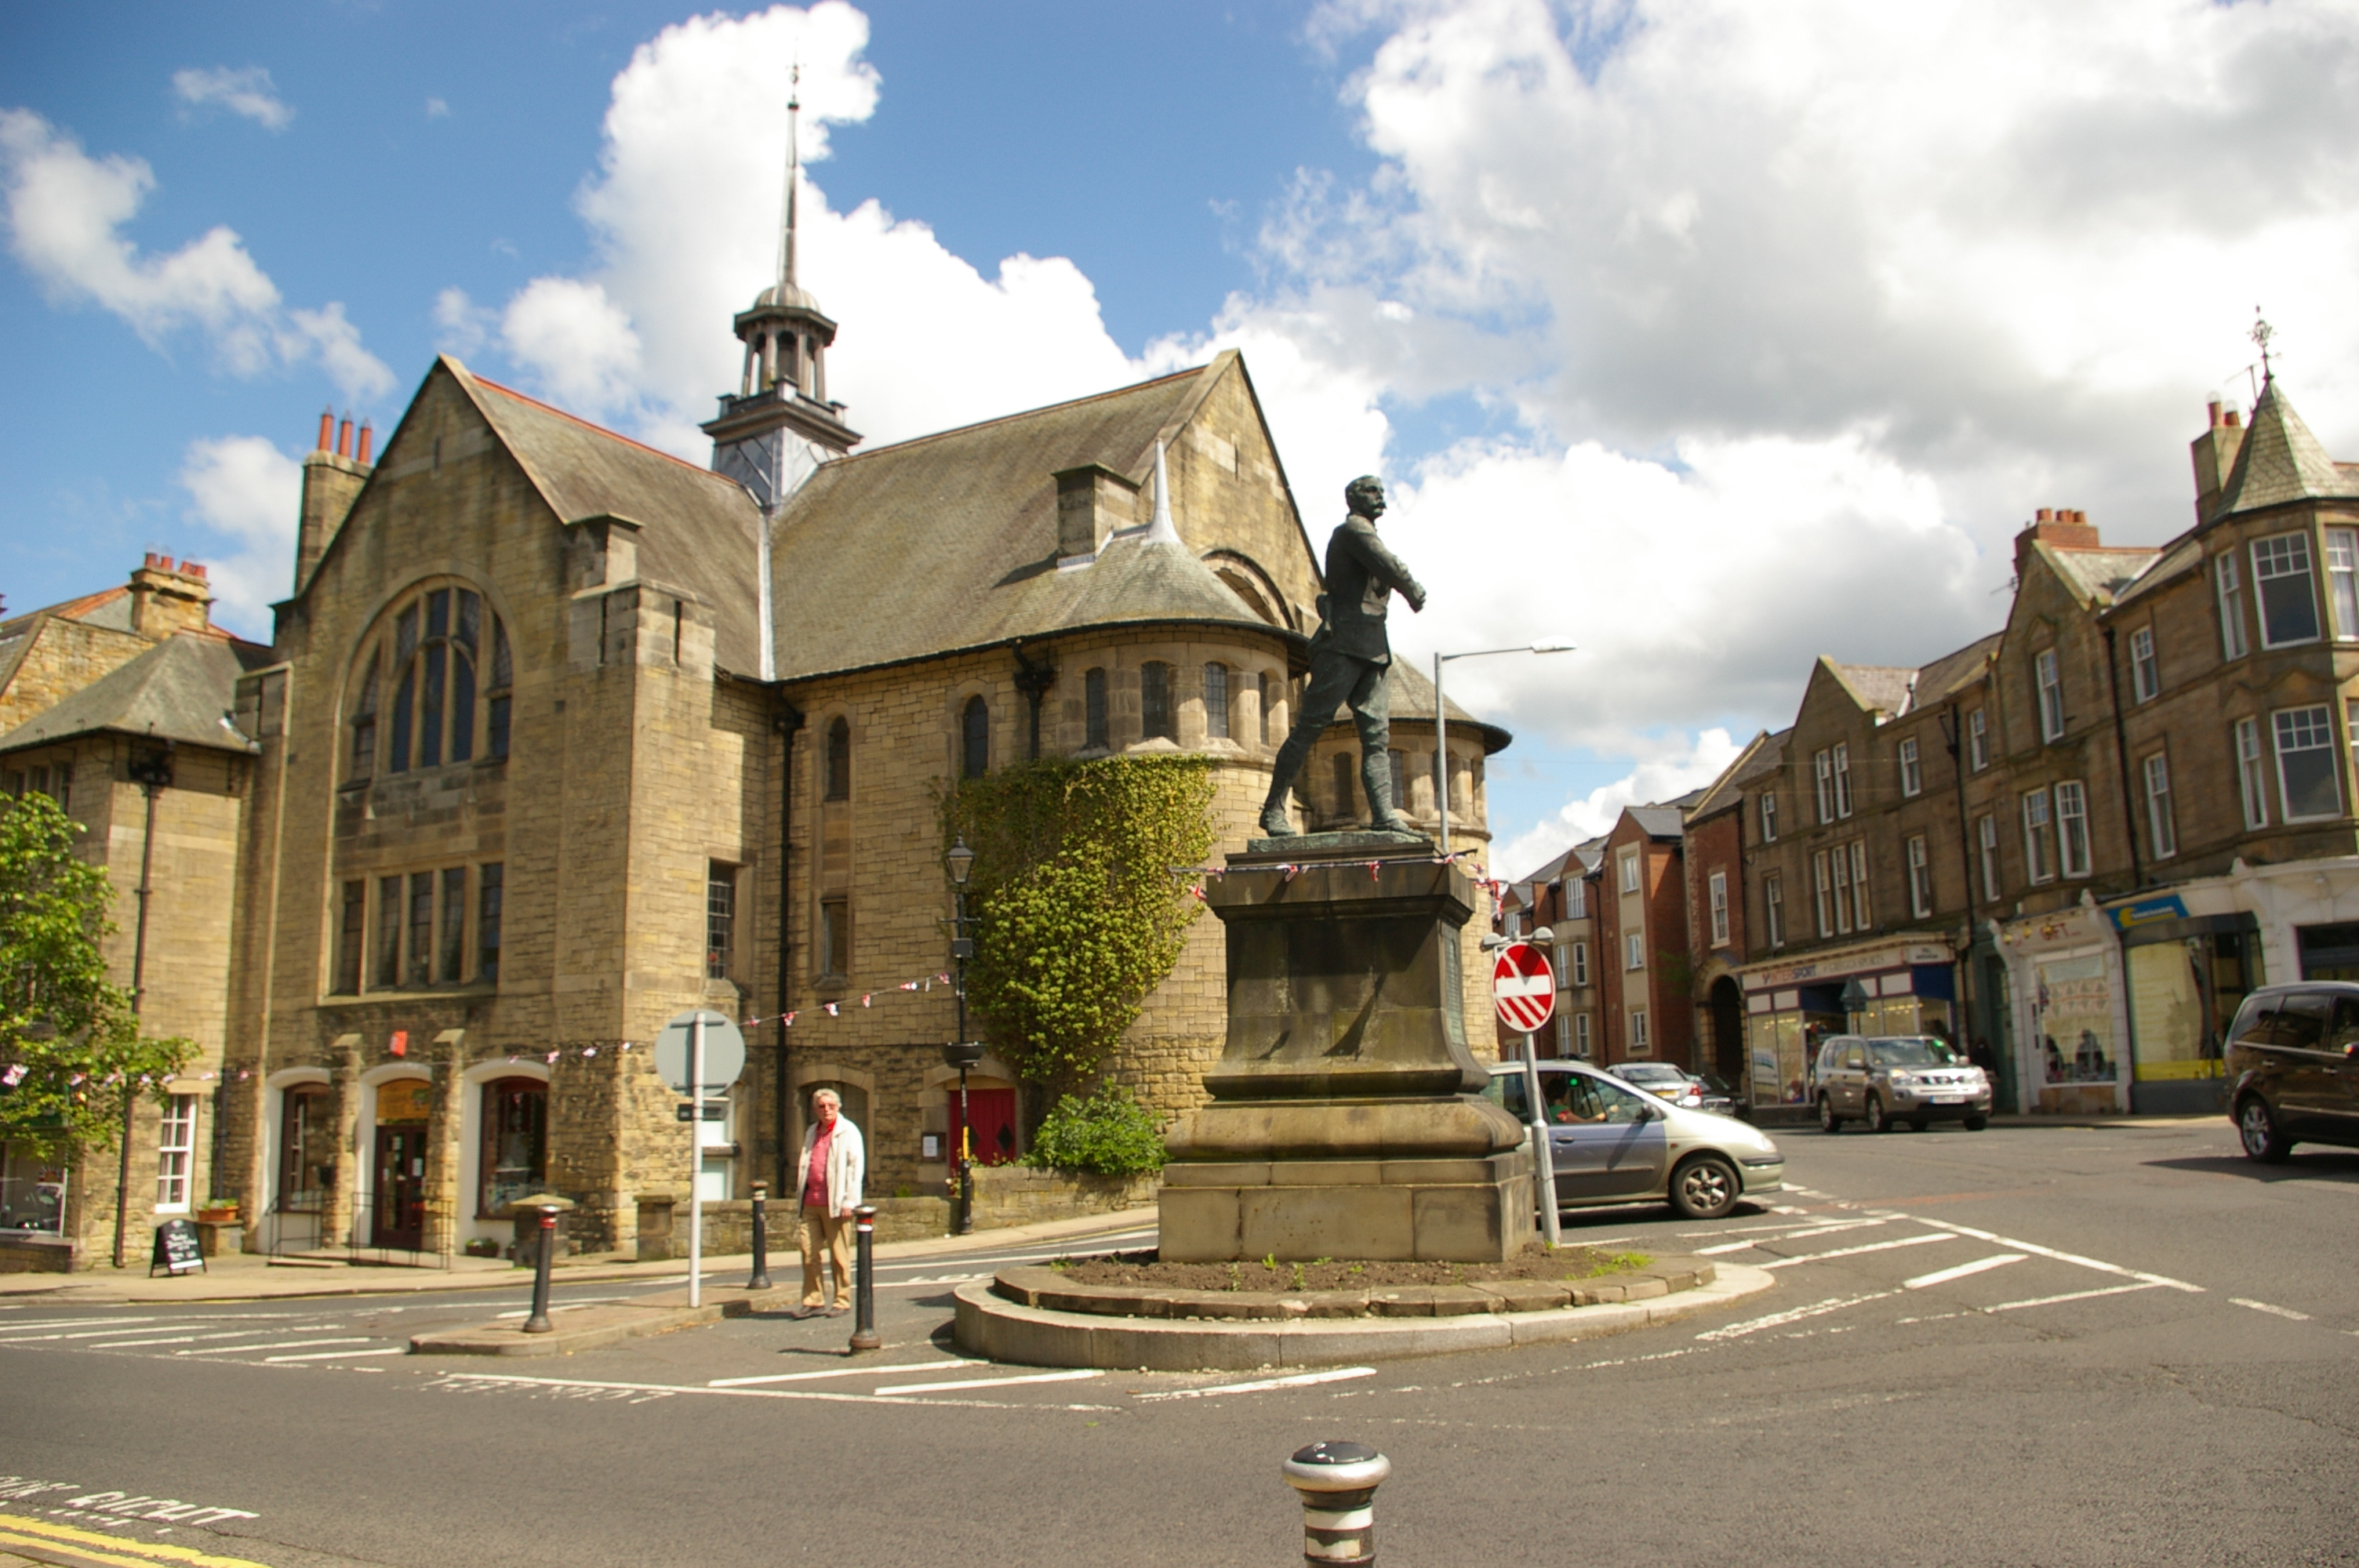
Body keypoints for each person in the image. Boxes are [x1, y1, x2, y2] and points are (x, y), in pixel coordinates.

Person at [1258, 476, 1427, 836]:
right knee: (1309, 728)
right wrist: (1412, 590)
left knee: (1377, 738)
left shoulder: (1366, 534)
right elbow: (1388, 565)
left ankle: (1383, 814)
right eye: (1371, 492)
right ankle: (1273, 809)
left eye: (1382, 492)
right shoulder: (1352, 531)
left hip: (1373, 647)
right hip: (1342, 643)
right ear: (1353, 499)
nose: (1380, 498)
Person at [794, 1088, 865, 1318]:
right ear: (815, 1109)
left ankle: (841, 1301)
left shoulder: (848, 1131)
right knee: (809, 1253)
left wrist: (850, 1201)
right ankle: (813, 1301)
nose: (827, 1110)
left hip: (836, 1204)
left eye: (831, 1106)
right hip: (810, 1203)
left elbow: (855, 1168)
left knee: (839, 1256)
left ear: (838, 1107)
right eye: (822, 1106)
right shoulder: (812, 1131)